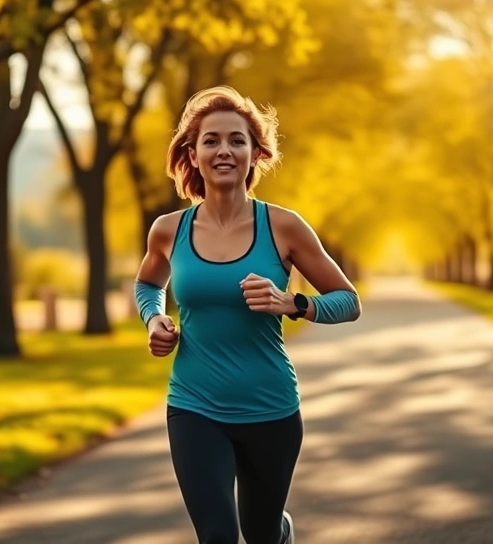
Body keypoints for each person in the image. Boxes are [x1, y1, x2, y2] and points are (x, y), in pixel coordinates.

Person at [133, 86, 361, 544]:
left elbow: (348, 300)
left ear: (255, 153)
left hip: (270, 408)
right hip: (194, 407)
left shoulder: (283, 226)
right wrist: (154, 319)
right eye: (211, 140)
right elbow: (148, 285)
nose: (224, 150)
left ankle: (279, 532)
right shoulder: (168, 230)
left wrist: (294, 303)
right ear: (192, 154)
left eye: (237, 140)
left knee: (261, 533)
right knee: (217, 535)